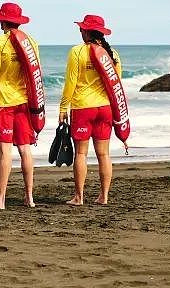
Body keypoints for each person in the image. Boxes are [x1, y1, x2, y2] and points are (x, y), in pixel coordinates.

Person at [0, 2, 40, 209]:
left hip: (3, 104)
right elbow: (35, 77)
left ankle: (0, 199)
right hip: (24, 103)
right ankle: (29, 197)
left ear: (3, 20)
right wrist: (37, 107)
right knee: (25, 150)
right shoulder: (31, 42)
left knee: (5, 152)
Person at [58, 14, 122, 206]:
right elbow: (117, 85)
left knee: (81, 154)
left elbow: (71, 83)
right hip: (105, 109)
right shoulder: (113, 54)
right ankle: (104, 196)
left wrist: (63, 108)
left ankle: (79, 197)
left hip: (83, 108)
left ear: (86, 31)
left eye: (82, 29)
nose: (80, 31)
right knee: (104, 154)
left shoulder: (77, 52)